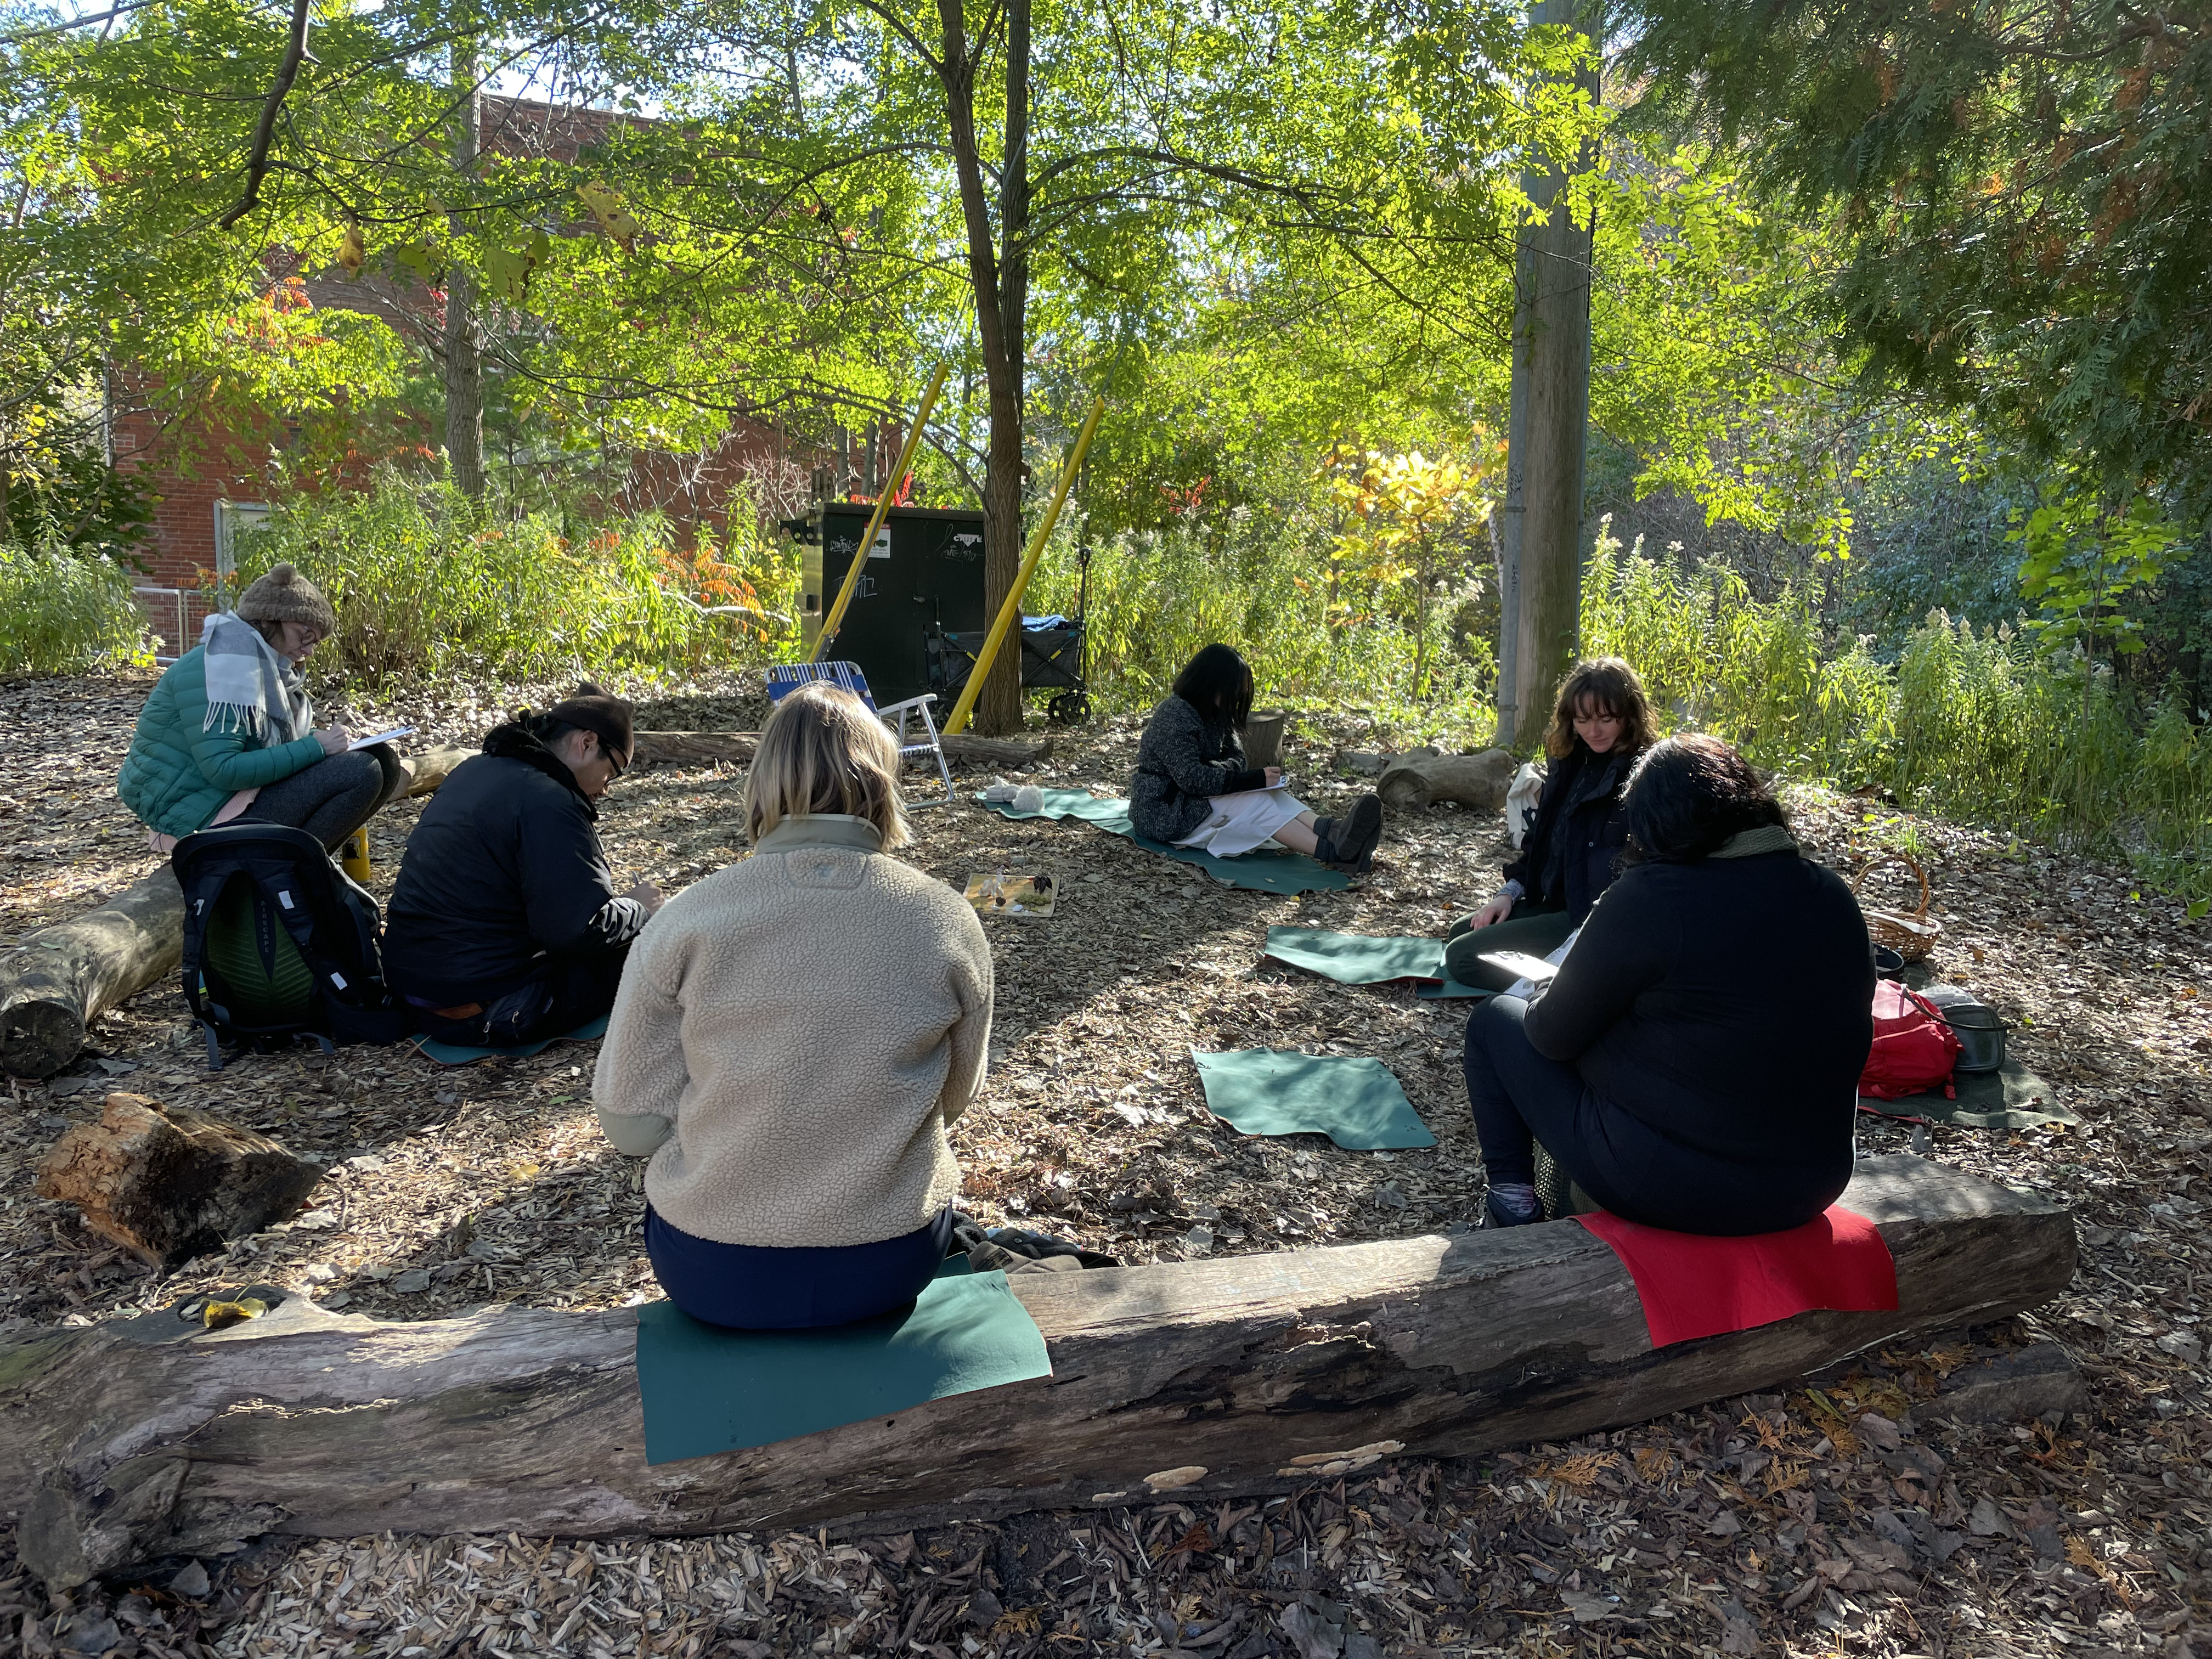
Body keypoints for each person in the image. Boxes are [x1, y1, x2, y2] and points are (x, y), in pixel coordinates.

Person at [593, 682, 994, 1329]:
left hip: (713, 1267)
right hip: (891, 1256)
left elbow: (631, 1126)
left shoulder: (687, 919)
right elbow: (953, 1098)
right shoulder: (946, 919)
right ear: (883, 782)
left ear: (762, 782)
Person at [1462, 735, 1874, 1234]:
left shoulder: (1653, 896)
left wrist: (1550, 992)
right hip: (1813, 1183)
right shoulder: (1831, 893)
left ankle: (1511, 1205)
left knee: (1493, 1022)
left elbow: (1551, 1035)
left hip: (1677, 1187)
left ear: (1653, 824)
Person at [382, 684, 663, 1047]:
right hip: (490, 1007)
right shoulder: (549, 801)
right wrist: (639, 908)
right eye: (613, 772)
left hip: (415, 996)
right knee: (656, 943)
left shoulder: (475, 770)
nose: (606, 788)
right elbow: (576, 932)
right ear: (587, 743)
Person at [117, 563, 404, 854]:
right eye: (305, 635)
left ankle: (294, 871)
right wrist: (316, 748)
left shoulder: (260, 666)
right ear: (270, 619)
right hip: (199, 815)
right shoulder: (223, 666)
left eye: (315, 642)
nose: (309, 650)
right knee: (360, 772)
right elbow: (224, 769)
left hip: (227, 798)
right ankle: (284, 876)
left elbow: (263, 743)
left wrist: (321, 741)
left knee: (383, 760)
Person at [1443, 657, 1654, 990]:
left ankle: (1573, 985)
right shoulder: (1570, 762)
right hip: (1554, 901)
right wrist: (1508, 895)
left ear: (1629, 716)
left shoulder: (1646, 775)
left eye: (1606, 719)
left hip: (1590, 920)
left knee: (1461, 958)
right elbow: (1539, 845)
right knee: (1461, 931)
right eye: (1583, 720)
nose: (1593, 732)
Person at [1130, 643, 1384, 871]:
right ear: (1211, 683)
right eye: (1233, 690)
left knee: (1269, 792)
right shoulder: (1174, 716)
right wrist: (1240, 778)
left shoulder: (1214, 713)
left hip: (1190, 800)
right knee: (1255, 803)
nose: (1236, 697)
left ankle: (1333, 831)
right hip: (1165, 812)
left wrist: (1222, 772)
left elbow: (1239, 759)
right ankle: (1334, 853)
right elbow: (1193, 779)